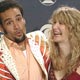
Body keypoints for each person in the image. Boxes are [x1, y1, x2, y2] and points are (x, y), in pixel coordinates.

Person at [0, 0, 50, 80]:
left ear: (24, 20)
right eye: (9, 23)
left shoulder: (39, 39)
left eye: (18, 19)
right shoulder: (1, 54)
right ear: (1, 28)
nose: (16, 26)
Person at [48, 6, 80, 80]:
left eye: (61, 23)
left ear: (74, 28)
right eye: (54, 22)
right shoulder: (47, 61)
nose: (54, 27)